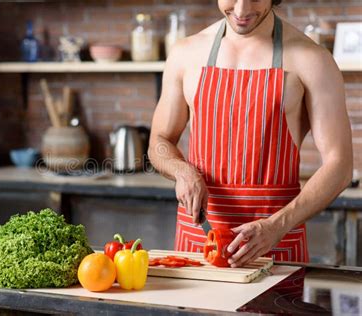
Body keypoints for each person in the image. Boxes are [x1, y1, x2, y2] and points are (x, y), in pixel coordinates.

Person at [148, 0, 353, 267]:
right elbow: (159, 142)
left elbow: (340, 165)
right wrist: (181, 171)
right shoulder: (185, 53)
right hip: (198, 244)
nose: (242, 10)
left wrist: (276, 226)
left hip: (275, 244)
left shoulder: (312, 59)